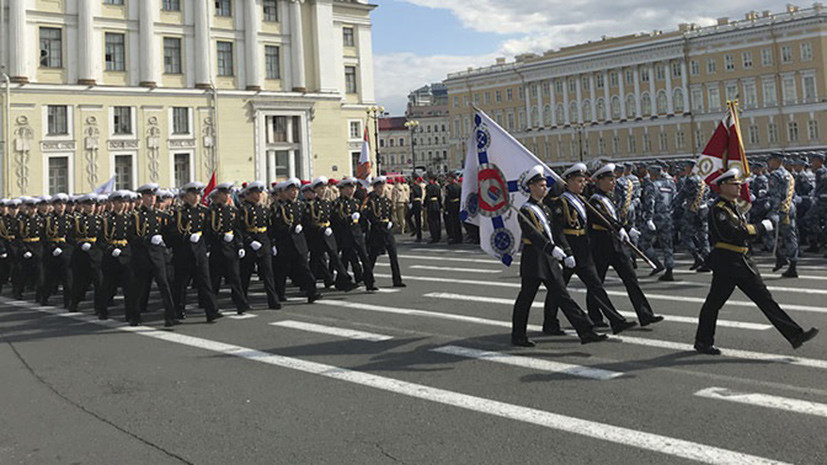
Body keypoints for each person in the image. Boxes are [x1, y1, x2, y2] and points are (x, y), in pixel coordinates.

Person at [694, 168, 818, 354]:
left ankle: (795, 335)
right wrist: (761, 227)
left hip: (742, 261)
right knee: (714, 304)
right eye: (734, 184)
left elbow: (742, 230)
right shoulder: (719, 209)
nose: (739, 187)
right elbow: (732, 233)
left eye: (739, 184)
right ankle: (703, 342)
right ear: (723, 186)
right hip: (728, 263)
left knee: (765, 300)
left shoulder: (733, 206)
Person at [511, 165, 607, 347]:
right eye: (540, 185)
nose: (544, 188)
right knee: (526, 298)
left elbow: (555, 232)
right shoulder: (525, 211)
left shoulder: (546, 209)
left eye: (545, 185)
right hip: (534, 260)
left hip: (549, 259)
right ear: (531, 187)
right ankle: (518, 335)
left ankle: (586, 331)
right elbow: (534, 235)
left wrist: (564, 251)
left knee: (563, 296)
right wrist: (551, 248)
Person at [543, 163, 637, 335]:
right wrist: (567, 252)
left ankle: (616, 321)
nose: (583, 184)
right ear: (569, 182)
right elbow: (558, 231)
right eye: (579, 181)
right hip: (570, 251)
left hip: (584, 250)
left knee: (595, 286)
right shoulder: (561, 202)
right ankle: (550, 322)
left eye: (584, 181)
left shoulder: (582, 200)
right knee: (558, 290)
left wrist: (621, 228)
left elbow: (603, 217)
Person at [587, 163, 664, 327]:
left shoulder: (609, 198)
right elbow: (605, 218)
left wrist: (627, 228)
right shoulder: (594, 201)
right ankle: (595, 317)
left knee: (631, 279)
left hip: (617, 244)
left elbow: (617, 218)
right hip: (601, 245)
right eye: (610, 180)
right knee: (597, 283)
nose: (613, 182)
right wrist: (620, 228)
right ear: (600, 181)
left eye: (613, 179)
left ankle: (645, 314)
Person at [168, 182, 223, 323]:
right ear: (186, 196)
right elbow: (172, 234)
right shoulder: (179, 213)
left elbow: (209, 231)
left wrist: (207, 247)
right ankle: (178, 310)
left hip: (199, 251)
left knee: (205, 282)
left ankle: (211, 311)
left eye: (198, 194)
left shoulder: (205, 212)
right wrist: (186, 237)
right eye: (193, 194)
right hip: (184, 252)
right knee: (181, 284)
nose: (196, 197)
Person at [129, 184, 180, 327]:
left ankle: (170, 316)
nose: (151, 199)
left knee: (164, 285)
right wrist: (147, 240)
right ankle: (135, 316)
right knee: (139, 288)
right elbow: (131, 237)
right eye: (148, 196)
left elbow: (169, 235)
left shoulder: (161, 216)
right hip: (142, 256)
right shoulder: (135, 216)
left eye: (153, 196)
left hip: (158, 256)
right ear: (142, 198)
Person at [271, 178, 321, 303]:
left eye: (296, 190)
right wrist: (291, 228)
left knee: (305, 267)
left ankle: (312, 292)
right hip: (285, 242)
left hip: (299, 242)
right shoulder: (279, 207)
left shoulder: (301, 205)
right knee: (282, 270)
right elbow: (276, 226)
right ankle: (280, 293)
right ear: (285, 192)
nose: (294, 193)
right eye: (291, 190)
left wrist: (317, 228)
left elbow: (307, 222)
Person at [206, 182, 251, 315]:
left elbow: (238, 230)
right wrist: (219, 237)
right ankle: (212, 307)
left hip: (231, 249)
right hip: (217, 248)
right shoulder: (211, 212)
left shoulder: (234, 211)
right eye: (224, 193)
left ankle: (241, 304)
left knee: (235, 277)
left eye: (228, 193)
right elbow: (208, 231)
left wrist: (240, 245)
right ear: (218, 195)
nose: (227, 196)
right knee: (215, 280)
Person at [239, 181, 282, 309]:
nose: (258, 195)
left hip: (264, 242)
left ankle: (273, 300)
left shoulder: (264, 209)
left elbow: (269, 228)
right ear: (249, 194)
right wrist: (249, 241)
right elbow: (240, 229)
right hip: (250, 243)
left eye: (260, 193)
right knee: (245, 274)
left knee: (268, 273)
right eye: (256, 193)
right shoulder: (243, 210)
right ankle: (242, 301)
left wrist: (272, 244)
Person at [98, 191, 135, 323]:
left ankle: (130, 315)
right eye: (119, 202)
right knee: (108, 286)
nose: (122, 205)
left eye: (124, 202)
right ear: (113, 203)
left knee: (129, 287)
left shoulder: (130, 219)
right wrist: (111, 249)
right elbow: (101, 241)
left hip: (126, 255)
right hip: (111, 257)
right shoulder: (106, 220)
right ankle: (103, 311)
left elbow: (132, 238)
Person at [334, 177, 377, 291]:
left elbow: (362, 219)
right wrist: (349, 219)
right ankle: (341, 282)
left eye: (352, 188)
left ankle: (370, 282)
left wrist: (364, 230)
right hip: (345, 234)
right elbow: (337, 219)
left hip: (357, 233)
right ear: (342, 190)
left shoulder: (356, 202)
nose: (351, 191)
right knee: (345, 259)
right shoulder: (338, 203)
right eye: (348, 188)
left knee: (364, 258)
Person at [365, 177, 405, 288]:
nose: (381, 189)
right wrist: (380, 223)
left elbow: (390, 213)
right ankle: (368, 281)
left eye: (382, 186)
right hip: (377, 231)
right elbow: (369, 216)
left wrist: (391, 222)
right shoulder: (372, 201)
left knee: (393, 255)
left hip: (387, 231)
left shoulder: (387, 200)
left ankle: (397, 280)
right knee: (372, 257)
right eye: (379, 187)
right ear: (375, 188)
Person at [640, 164, 676, 281]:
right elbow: (674, 200)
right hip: (667, 216)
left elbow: (650, 202)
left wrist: (649, 219)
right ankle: (669, 270)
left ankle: (657, 263)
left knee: (644, 242)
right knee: (667, 245)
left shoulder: (652, 185)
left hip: (656, 218)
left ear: (653, 174)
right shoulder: (671, 184)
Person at [68, 194, 104, 313]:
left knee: (99, 282)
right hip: (81, 255)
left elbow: (103, 237)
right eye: (88, 205)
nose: (91, 207)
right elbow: (69, 237)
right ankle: (74, 303)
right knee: (79, 282)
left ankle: (99, 307)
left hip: (95, 254)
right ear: (83, 206)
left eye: (93, 205)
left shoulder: (100, 220)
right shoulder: (77, 220)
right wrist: (79, 244)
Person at [766, 153, 799, 277]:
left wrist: (774, 211)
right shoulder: (788, 175)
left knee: (766, 232)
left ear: (776, 161)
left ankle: (780, 256)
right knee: (790, 236)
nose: (769, 163)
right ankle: (792, 264)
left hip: (780, 210)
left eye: (770, 160)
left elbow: (776, 196)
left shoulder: (775, 175)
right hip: (790, 208)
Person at [41, 194, 74, 308]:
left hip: (66, 252)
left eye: (63, 204)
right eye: (59, 204)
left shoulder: (70, 219)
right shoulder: (48, 220)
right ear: (54, 206)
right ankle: (44, 298)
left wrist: (67, 249)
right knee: (50, 278)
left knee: (68, 279)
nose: (61, 207)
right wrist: (53, 247)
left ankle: (68, 302)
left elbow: (72, 237)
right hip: (52, 253)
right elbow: (44, 238)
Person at [444, 173, 463, 244]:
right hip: (457, 205)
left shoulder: (448, 187)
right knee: (457, 222)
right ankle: (459, 237)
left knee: (452, 222)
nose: (448, 179)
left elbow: (447, 197)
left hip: (451, 205)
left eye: (449, 178)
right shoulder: (458, 186)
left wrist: (446, 207)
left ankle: (454, 237)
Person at [424, 174, 442, 243]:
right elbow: (439, 197)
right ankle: (438, 235)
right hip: (436, 204)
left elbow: (427, 196)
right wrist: (440, 205)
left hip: (431, 204)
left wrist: (424, 204)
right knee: (437, 220)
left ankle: (434, 236)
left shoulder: (428, 187)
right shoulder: (437, 187)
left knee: (431, 221)